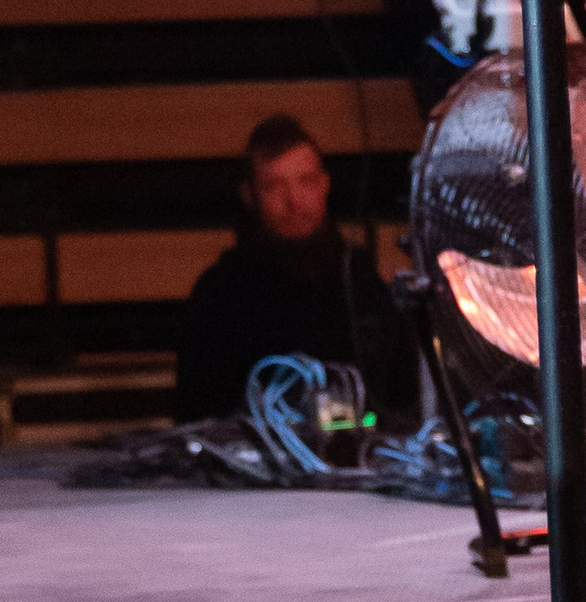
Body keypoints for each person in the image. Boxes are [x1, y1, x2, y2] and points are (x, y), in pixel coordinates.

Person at [171, 117, 418, 427]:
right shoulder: (220, 294)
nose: (294, 201)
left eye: (306, 181)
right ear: (250, 195)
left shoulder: (358, 279)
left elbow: (400, 396)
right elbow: (198, 417)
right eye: (275, 186)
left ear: (325, 184)